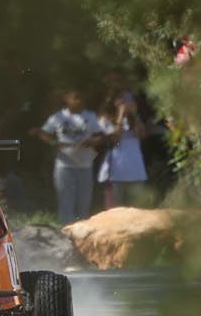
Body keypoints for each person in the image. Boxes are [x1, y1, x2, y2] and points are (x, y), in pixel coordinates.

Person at [34, 89, 106, 224]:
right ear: (66, 99)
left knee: (83, 205)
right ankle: (66, 235)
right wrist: (55, 142)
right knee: (65, 203)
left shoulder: (90, 116)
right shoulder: (58, 116)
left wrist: (92, 141)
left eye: (80, 98)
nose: (78, 101)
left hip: (85, 165)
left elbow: (101, 137)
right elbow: (43, 133)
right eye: (74, 98)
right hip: (64, 166)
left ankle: (82, 237)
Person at [97, 86, 154, 208]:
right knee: (116, 211)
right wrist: (120, 116)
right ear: (114, 101)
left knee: (137, 210)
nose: (126, 103)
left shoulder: (133, 120)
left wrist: (135, 116)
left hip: (136, 172)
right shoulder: (105, 120)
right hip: (116, 173)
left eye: (129, 100)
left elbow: (143, 135)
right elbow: (115, 140)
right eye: (122, 100)